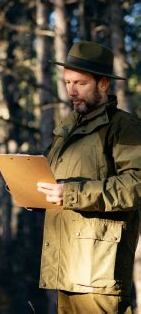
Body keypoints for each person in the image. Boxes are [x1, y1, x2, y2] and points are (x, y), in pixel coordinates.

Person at [36, 41, 141, 313]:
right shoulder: (68, 127)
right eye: (67, 82)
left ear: (103, 84)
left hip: (99, 271)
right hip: (65, 265)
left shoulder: (124, 127)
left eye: (80, 83)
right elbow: (52, 179)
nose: (71, 91)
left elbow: (136, 185)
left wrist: (70, 193)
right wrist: (25, 184)